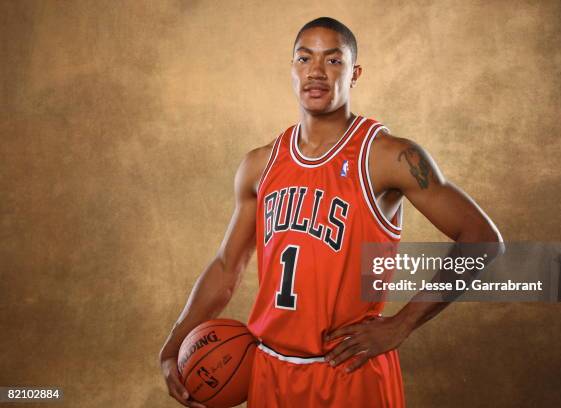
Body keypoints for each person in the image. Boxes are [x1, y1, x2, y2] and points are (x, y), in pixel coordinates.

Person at [159, 17, 503, 408]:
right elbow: (226, 267)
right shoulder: (260, 164)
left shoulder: (388, 157)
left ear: (354, 73)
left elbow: (482, 238)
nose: (316, 72)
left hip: (351, 371)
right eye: (304, 59)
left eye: (333, 60)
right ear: (292, 69)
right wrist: (172, 347)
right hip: (270, 371)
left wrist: (401, 325)